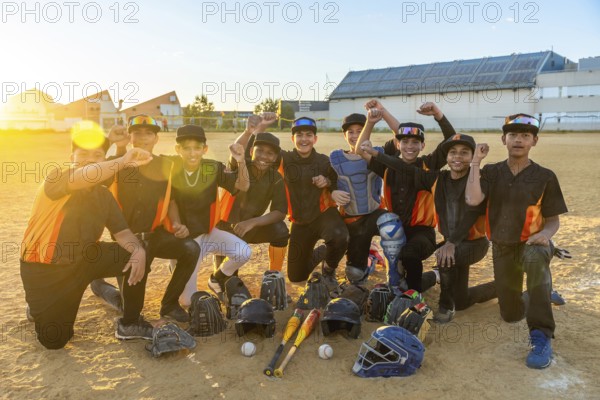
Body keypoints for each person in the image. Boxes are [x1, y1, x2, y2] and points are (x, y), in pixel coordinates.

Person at [20, 129, 154, 349]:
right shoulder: (57, 177)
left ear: (104, 159)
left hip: (85, 259)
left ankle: (129, 322)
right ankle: (37, 309)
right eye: (83, 154)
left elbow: (122, 233)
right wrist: (122, 160)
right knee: (55, 341)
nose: (90, 160)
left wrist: (138, 251)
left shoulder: (103, 195)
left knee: (137, 252)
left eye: (97, 156)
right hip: (44, 268)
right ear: (71, 157)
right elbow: (87, 174)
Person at [465, 113, 568, 369]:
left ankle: (541, 336)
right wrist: (476, 162)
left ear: (534, 140)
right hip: (502, 247)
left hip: (533, 244)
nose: (518, 140)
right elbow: (473, 200)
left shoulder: (545, 176)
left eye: (525, 135)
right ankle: (540, 292)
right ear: (503, 139)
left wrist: (545, 234)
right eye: (513, 135)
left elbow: (553, 220)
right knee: (510, 314)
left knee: (534, 260)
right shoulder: (490, 172)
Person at [361, 133, 497, 322]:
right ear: (446, 157)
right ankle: (499, 286)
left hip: (473, 244)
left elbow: (470, 214)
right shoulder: (438, 179)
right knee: (462, 300)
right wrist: (376, 155)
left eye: (464, 153)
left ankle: (445, 308)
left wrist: (451, 243)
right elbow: (405, 168)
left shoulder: (477, 182)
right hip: (453, 243)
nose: (457, 157)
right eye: (453, 152)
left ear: (472, 156)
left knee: (445, 257)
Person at [90, 115, 200, 323]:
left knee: (191, 248)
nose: (143, 137)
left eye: (149, 133)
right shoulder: (117, 164)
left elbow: (171, 200)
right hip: (127, 241)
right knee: (129, 308)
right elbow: (89, 171)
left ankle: (169, 304)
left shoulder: (165, 165)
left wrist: (176, 223)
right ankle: (100, 286)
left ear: (156, 138)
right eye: (137, 133)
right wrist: (109, 142)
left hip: (154, 236)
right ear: (129, 137)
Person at [235, 116, 348, 290]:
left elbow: (335, 180)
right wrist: (261, 127)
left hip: (323, 215)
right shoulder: (284, 158)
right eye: (299, 135)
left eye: (308, 135)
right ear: (293, 139)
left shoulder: (324, 161)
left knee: (340, 236)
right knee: (296, 277)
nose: (304, 139)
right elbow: (255, 149)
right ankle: (320, 252)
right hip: (300, 222)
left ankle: (329, 270)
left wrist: (327, 181)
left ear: (315, 139)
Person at [355, 101, 457, 294]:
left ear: (422, 145)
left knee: (409, 255)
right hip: (394, 230)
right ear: (398, 144)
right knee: (362, 225)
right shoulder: (388, 166)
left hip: (422, 233)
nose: (410, 146)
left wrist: (438, 114)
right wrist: (369, 123)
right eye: (405, 142)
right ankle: (358, 267)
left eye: (415, 142)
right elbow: (360, 150)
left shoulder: (429, 164)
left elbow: (452, 139)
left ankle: (414, 296)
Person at [166, 124, 251, 304]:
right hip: (185, 243)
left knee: (243, 251)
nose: (192, 153)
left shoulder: (210, 168)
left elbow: (243, 186)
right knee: (187, 302)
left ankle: (216, 279)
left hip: (207, 233)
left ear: (204, 149)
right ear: (177, 149)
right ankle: (175, 265)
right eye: (186, 148)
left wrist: (241, 161)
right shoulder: (170, 166)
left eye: (197, 148)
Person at [215, 113, 289, 273]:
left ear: (276, 157)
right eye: (260, 151)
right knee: (227, 280)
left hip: (250, 227)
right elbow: (237, 148)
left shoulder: (275, 177)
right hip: (225, 228)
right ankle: (221, 275)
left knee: (281, 231)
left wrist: (253, 222)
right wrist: (248, 132)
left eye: (270, 153)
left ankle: (274, 274)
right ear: (251, 152)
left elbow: (280, 212)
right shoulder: (240, 165)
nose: (264, 156)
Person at [328, 113, 386, 285]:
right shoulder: (336, 159)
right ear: (344, 135)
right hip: (352, 219)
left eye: (360, 131)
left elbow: (401, 142)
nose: (355, 136)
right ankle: (371, 255)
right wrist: (333, 192)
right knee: (354, 274)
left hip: (374, 214)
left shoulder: (379, 154)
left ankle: (396, 273)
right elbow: (329, 181)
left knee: (393, 228)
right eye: (351, 132)